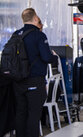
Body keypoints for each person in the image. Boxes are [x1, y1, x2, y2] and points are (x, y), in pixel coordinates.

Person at [13, 8, 57, 137]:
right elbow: (47, 58)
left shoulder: (16, 34)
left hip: (18, 81)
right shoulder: (39, 35)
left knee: (21, 114)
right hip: (34, 80)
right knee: (34, 114)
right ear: (36, 18)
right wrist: (54, 56)